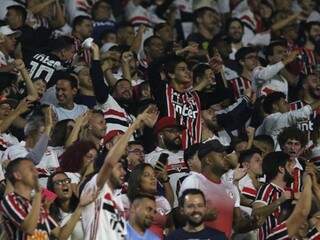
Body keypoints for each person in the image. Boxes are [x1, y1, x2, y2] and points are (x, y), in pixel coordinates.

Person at [80, 106, 159, 240]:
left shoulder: (117, 203)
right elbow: (110, 162)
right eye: (120, 167)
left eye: (124, 168)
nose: (123, 172)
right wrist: (134, 125)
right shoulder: (97, 187)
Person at [0, 157, 96, 239]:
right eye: (31, 169)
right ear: (17, 175)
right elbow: (28, 229)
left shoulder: (38, 207)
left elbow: (61, 235)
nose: (36, 172)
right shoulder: (10, 200)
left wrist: (80, 207)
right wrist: (38, 194)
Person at [179, 140, 256, 238]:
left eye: (226, 156)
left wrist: (252, 223)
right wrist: (203, 216)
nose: (226, 159)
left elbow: (237, 225)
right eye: (221, 156)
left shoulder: (231, 187)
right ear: (208, 160)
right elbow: (180, 216)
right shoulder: (194, 181)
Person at [253, 151, 295, 240]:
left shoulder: (290, 191)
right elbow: (257, 213)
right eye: (289, 165)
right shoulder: (267, 188)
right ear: (281, 169)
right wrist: (280, 200)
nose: (293, 168)